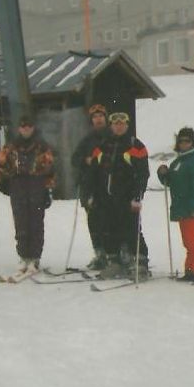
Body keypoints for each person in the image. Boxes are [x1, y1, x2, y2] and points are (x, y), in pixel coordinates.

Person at [87, 112, 150, 279]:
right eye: (116, 123)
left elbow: (142, 174)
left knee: (132, 229)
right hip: (105, 197)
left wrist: (137, 196)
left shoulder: (135, 145)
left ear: (127, 125)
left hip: (127, 197)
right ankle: (114, 262)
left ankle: (140, 262)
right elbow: (93, 171)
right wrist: (92, 193)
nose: (119, 126)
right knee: (108, 229)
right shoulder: (103, 145)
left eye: (122, 123)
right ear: (111, 125)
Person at [0, 114, 55, 276]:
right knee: (20, 221)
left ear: (33, 128)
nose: (26, 129)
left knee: (36, 223)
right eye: (23, 126)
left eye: (29, 126)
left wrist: (48, 189)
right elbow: (2, 165)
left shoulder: (42, 146)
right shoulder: (11, 146)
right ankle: (23, 256)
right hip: (18, 186)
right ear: (19, 128)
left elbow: (50, 169)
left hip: (36, 185)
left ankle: (35, 257)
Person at [156, 127, 194, 284]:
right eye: (180, 141)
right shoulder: (180, 161)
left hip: (192, 208)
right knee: (188, 241)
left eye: (187, 141)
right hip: (183, 207)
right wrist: (163, 174)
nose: (183, 144)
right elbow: (171, 182)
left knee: (193, 240)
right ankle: (190, 271)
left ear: (193, 142)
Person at [70, 103, 109, 270]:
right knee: (94, 222)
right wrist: (85, 161)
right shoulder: (87, 140)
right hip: (90, 188)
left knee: (111, 223)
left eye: (101, 116)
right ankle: (100, 254)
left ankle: (114, 256)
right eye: (95, 117)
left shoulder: (112, 136)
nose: (98, 119)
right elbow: (74, 159)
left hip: (108, 187)